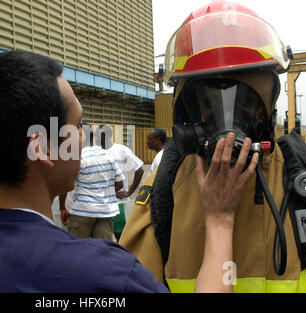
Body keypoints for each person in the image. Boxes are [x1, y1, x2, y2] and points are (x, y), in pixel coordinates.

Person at [0, 50, 256, 293]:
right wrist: (220, 218)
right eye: (77, 125)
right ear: (42, 148)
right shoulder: (103, 276)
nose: (83, 138)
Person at [119, 0, 306, 292]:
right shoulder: (167, 185)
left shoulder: (298, 181)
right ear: (187, 112)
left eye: (245, 101)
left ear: (267, 105)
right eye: (207, 102)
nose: (227, 121)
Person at [59, 126, 125, 240]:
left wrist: (62, 208)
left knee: (78, 249)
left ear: (81, 137)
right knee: (102, 250)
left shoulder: (78, 157)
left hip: (83, 211)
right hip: (106, 212)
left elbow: (66, 185)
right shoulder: (108, 155)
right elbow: (120, 184)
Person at [97, 125, 144, 242]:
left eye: (100, 135)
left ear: (107, 135)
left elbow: (140, 169)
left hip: (117, 201)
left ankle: (123, 254)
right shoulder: (96, 151)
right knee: (103, 234)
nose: (97, 137)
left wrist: (129, 192)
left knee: (120, 235)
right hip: (100, 201)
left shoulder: (121, 150)